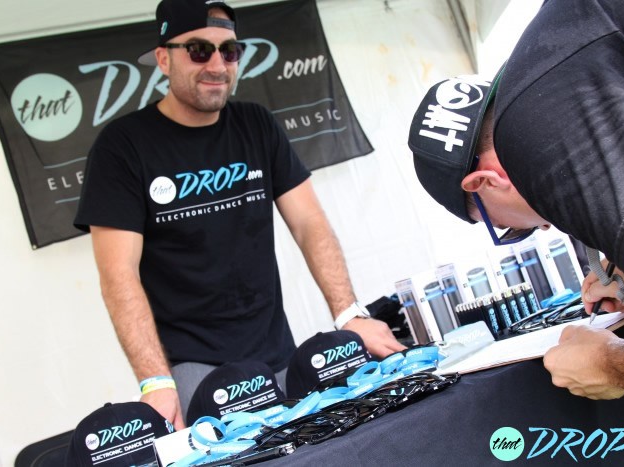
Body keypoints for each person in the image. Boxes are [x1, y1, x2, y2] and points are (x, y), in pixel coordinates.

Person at [75, 0, 404, 429]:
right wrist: (154, 381)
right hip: (194, 367)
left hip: (279, 354)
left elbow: (309, 224)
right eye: (198, 50)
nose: (217, 64)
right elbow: (118, 274)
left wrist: (349, 315)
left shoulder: (256, 124)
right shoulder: (123, 146)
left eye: (229, 51)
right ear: (163, 59)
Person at [408, 0, 624, 400]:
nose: (544, 226)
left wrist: (610, 364)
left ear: (484, 182)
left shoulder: (536, 136)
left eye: (508, 230)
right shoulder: (556, 67)